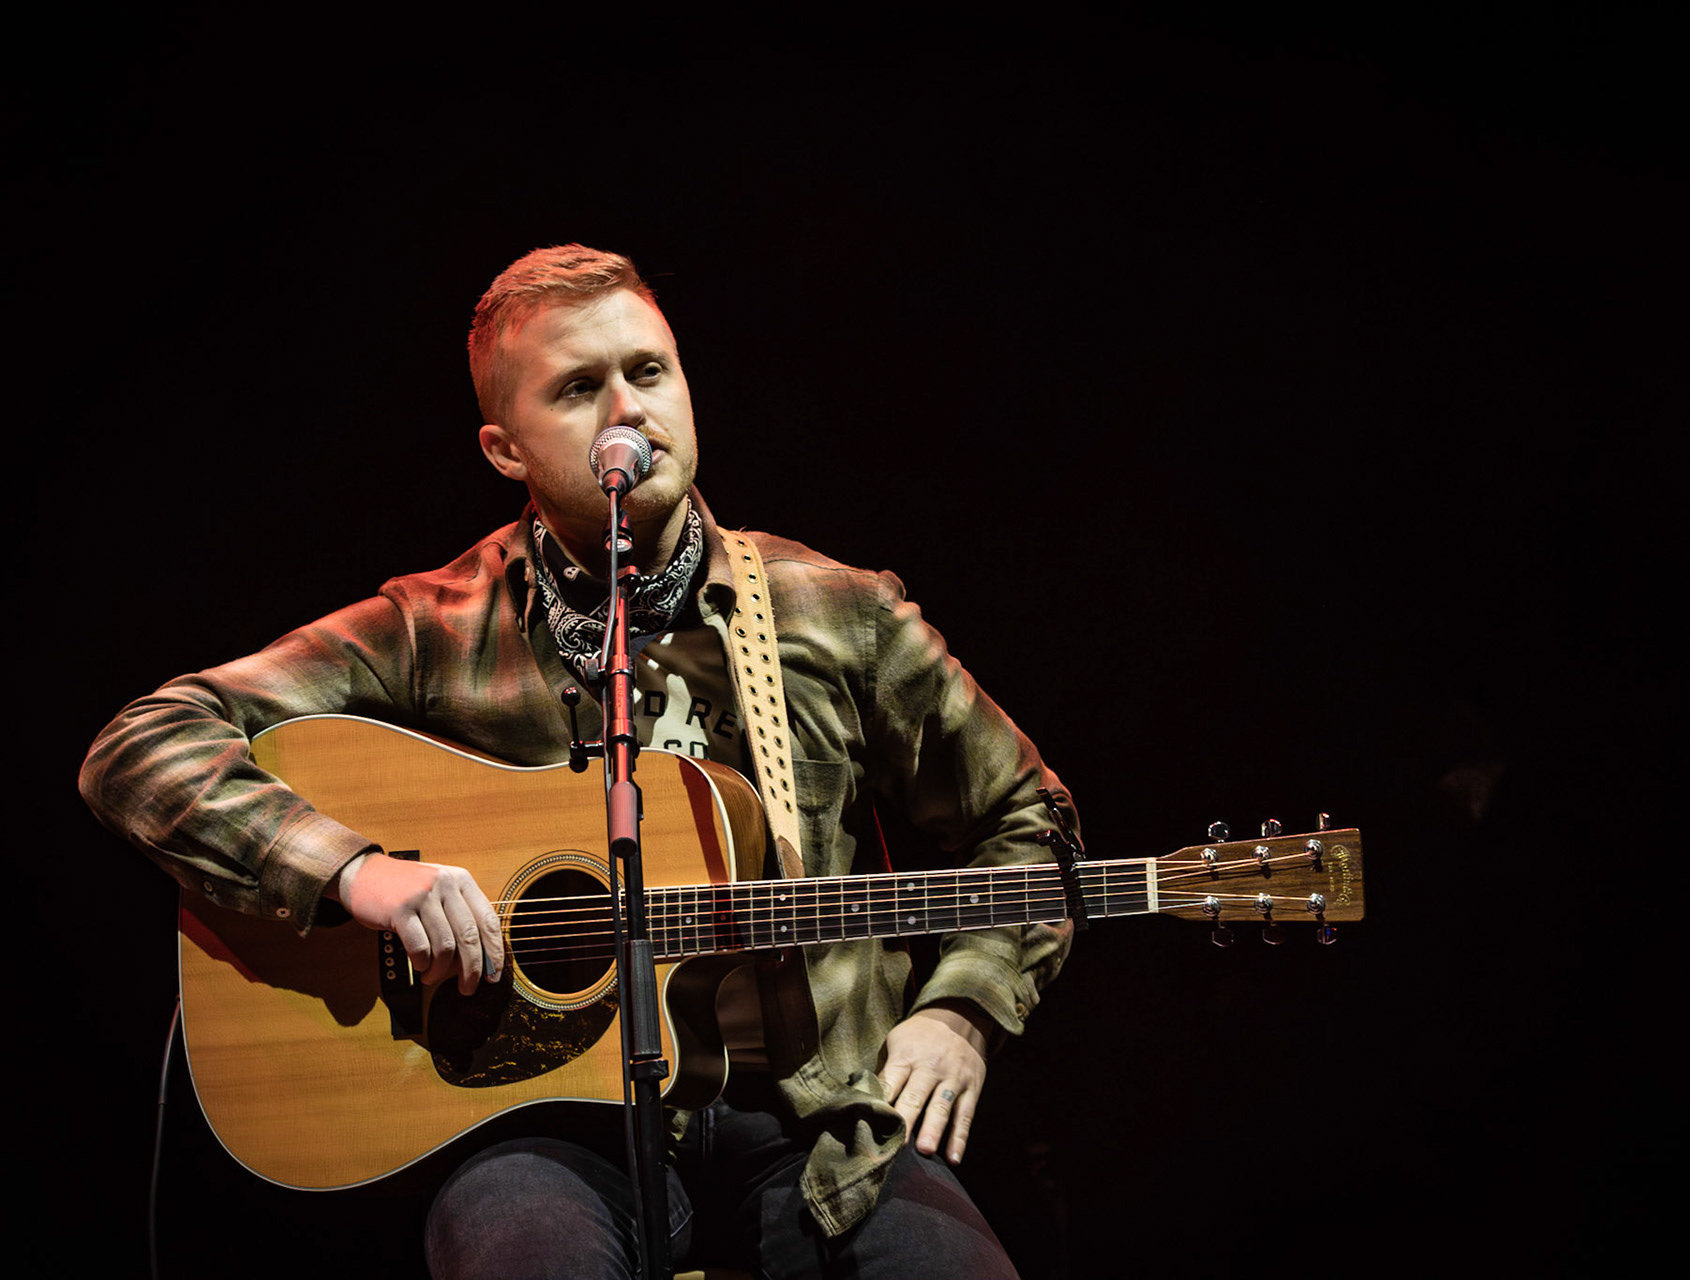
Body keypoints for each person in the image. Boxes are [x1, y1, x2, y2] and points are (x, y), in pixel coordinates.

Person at [78, 244, 1078, 1278]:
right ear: (506, 449)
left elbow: (1026, 819)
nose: (628, 409)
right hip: (544, 1129)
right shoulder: (436, 627)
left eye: (649, 370)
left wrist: (962, 1008)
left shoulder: (836, 609)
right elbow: (143, 744)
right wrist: (350, 869)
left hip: (815, 1120)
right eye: (578, 388)